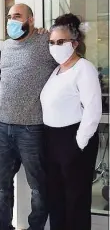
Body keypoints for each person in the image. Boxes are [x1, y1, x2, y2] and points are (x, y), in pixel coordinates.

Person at [0, 4, 58, 230]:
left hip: (32, 128)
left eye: (17, 16)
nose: (11, 20)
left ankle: (35, 227)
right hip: (2, 126)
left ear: (31, 19)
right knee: (0, 186)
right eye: (9, 17)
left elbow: (67, 57)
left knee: (38, 187)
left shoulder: (45, 41)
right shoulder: (6, 46)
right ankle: (3, 226)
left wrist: (47, 32)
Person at [41, 13, 102, 230]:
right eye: (52, 42)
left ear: (74, 43)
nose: (55, 46)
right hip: (52, 140)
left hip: (73, 139)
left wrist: (79, 143)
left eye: (61, 42)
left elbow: (93, 110)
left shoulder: (83, 68)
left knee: (75, 200)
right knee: (56, 198)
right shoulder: (57, 70)